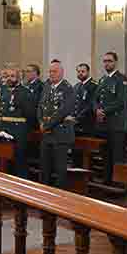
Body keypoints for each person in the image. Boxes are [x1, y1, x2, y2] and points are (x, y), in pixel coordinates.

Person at [38, 60, 76, 189]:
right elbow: (40, 107)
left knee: (60, 170)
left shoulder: (68, 89)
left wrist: (46, 125)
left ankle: (60, 198)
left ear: (62, 73)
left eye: (54, 71)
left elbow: (63, 111)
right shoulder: (47, 86)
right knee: (45, 168)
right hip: (47, 134)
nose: (51, 74)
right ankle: (44, 195)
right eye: (50, 71)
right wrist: (41, 122)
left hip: (61, 134)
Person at [95, 51, 127, 185]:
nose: (106, 63)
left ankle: (118, 184)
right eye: (105, 61)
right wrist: (96, 109)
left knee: (117, 156)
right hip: (104, 124)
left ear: (115, 62)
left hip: (116, 124)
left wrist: (103, 111)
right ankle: (107, 181)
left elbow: (121, 101)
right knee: (106, 155)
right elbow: (95, 98)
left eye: (109, 61)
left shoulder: (122, 79)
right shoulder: (103, 79)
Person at [0, 66, 35, 178]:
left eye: (12, 76)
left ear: (18, 78)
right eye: (7, 76)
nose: (9, 78)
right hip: (5, 130)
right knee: (5, 162)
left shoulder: (25, 92)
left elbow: (30, 114)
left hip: (19, 131)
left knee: (19, 162)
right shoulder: (4, 91)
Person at [73, 63, 98, 136]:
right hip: (76, 124)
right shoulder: (77, 86)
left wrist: (77, 119)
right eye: (78, 71)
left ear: (88, 72)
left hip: (88, 124)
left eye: (83, 71)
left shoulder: (94, 85)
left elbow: (90, 105)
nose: (80, 73)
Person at [24, 64, 44, 133]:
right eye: (25, 71)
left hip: (34, 121)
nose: (26, 74)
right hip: (26, 121)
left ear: (35, 72)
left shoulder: (40, 86)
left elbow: (39, 104)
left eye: (28, 71)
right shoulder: (26, 85)